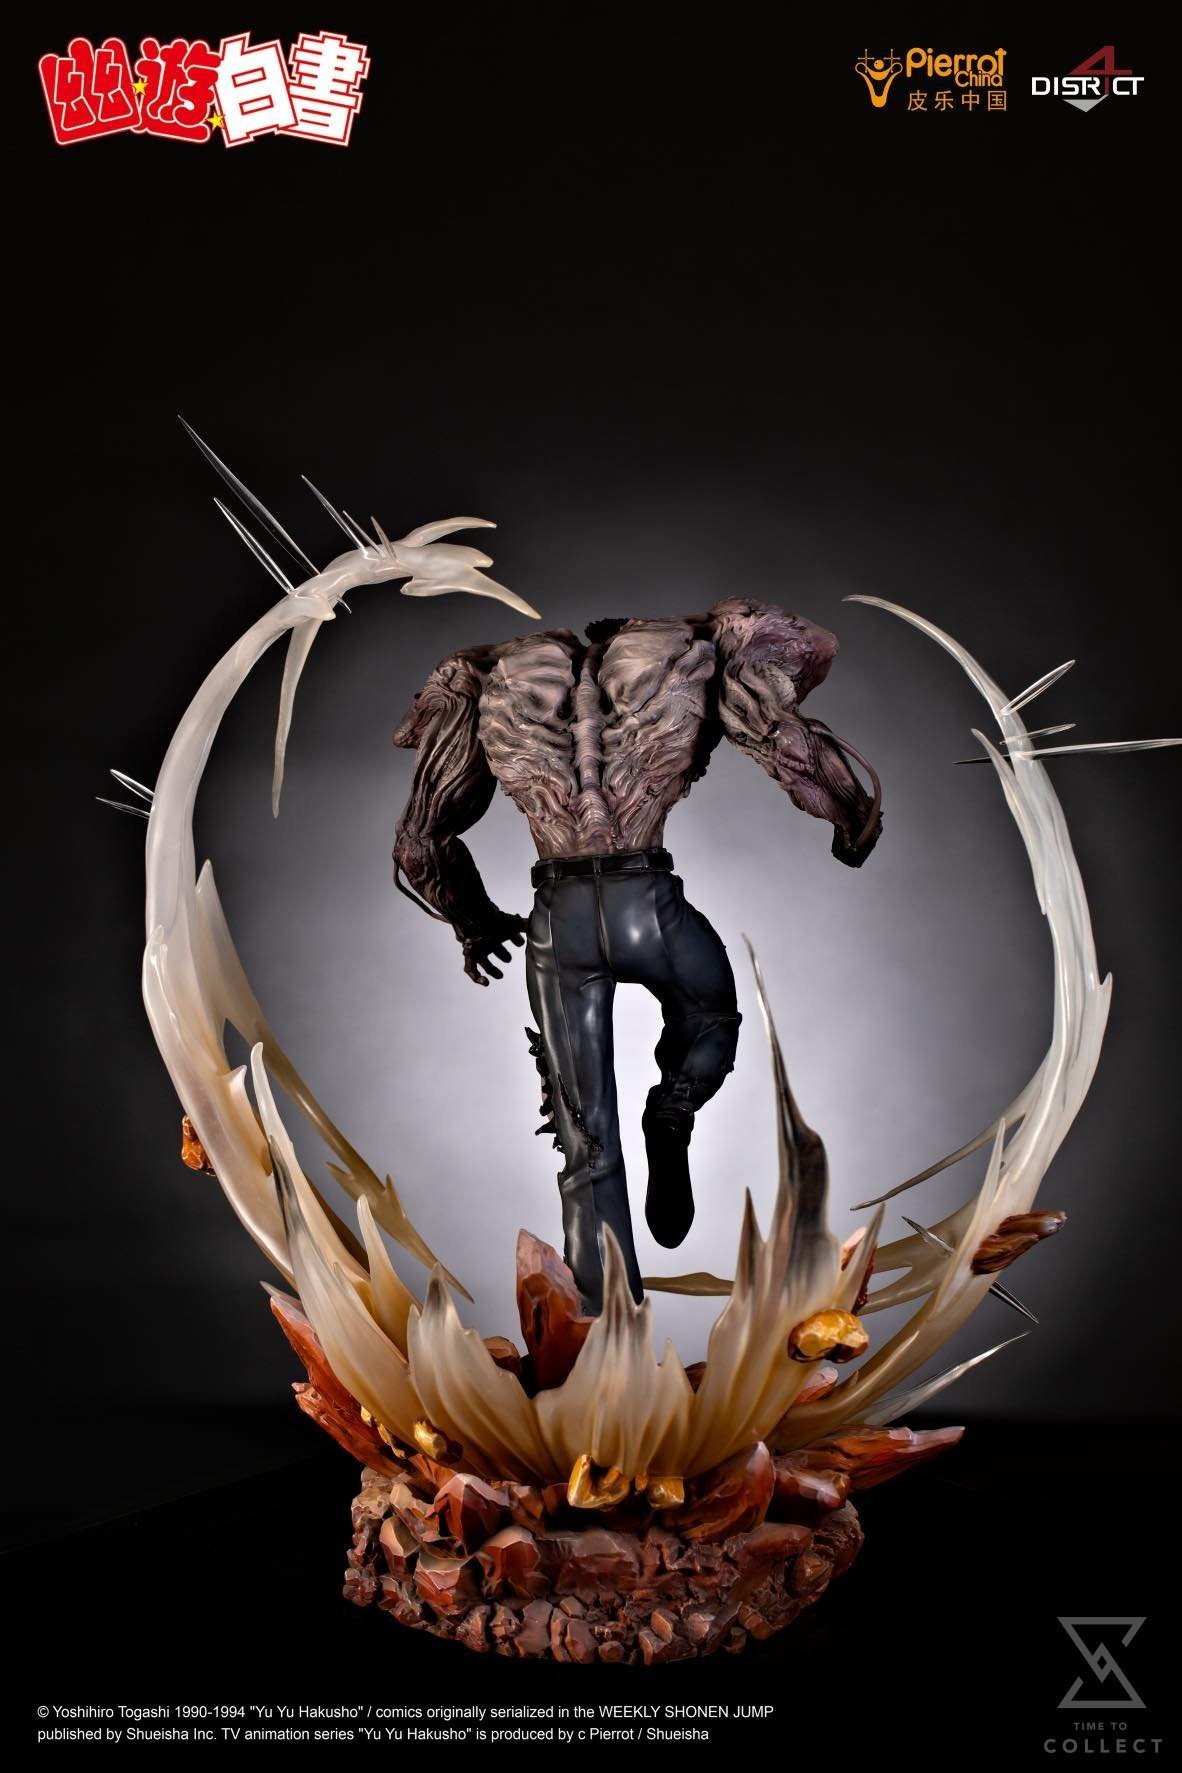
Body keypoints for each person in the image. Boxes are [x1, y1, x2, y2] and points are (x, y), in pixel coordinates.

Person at [392, 600, 882, 1312]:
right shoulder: (694, 646)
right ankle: (673, 1108)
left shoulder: (489, 676)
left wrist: (476, 924)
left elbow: (419, 841)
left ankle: (602, 1326)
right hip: (647, 903)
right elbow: (786, 741)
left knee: (585, 1144)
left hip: (557, 920)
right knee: (709, 1016)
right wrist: (852, 818)